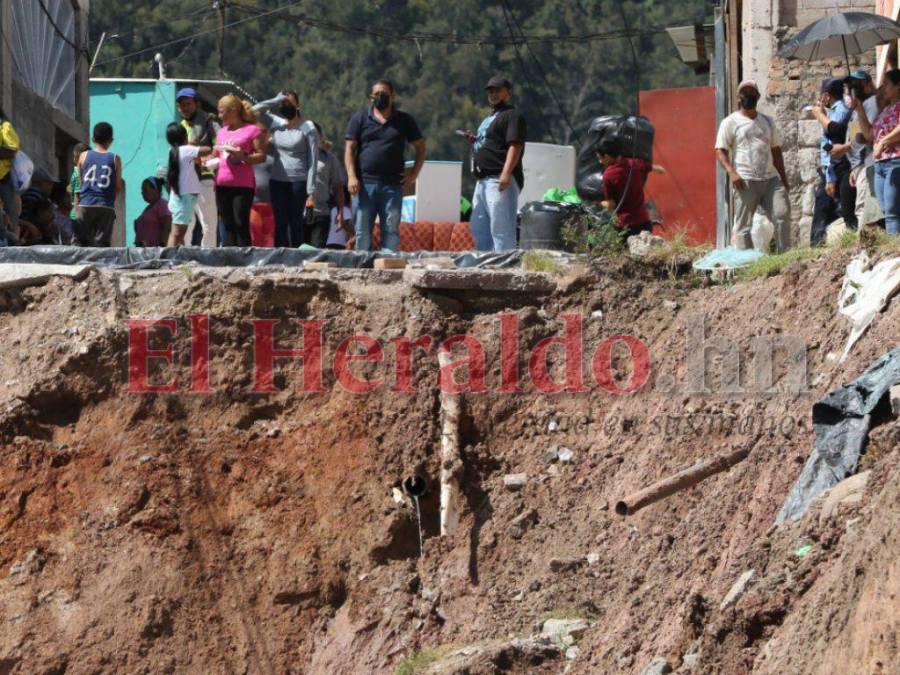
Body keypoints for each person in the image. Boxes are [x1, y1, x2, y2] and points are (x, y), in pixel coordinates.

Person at [345, 79, 425, 251]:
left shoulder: (404, 120)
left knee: (390, 230)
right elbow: (349, 148)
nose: (380, 97)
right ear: (370, 97)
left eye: (384, 94)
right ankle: (362, 268)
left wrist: (414, 174)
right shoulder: (359, 119)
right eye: (376, 94)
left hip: (393, 186)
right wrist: (351, 176)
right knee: (362, 231)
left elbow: (420, 147)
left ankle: (388, 268)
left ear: (393, 96)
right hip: (364, 185)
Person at [714, 80, 791, 252]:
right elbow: (720, 150)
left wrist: (784, 179)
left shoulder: (768, 122)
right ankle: (747, 264)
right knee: (743, 226)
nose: (749, 97)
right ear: (739, 98)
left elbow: (776, 151)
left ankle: (784, 257)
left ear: (758, 97)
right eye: (745, 94)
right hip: (745, 180)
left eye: (752, 94)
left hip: (771, 179)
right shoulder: (730, 122)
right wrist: (732, 173)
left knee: (782, 214)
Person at [461, 76, 527, 251]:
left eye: (498, 90)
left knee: (501, 229)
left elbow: (515, 145)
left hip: (498, 178)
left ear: (509, 93)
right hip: (482, 181)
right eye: (490, 91)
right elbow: (492, 143)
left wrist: (506, 174)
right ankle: (485, 266)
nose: (493, 94)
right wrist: (475, 140)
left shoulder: (512, 115)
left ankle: (504, 267)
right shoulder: (490, 117)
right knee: (479, 227)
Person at [253, 91, 318, 247]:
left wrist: (311, 190)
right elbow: (254, 110)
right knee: (280, 222)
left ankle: (297, 256)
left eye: (289, 103)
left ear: (298, 106)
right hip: (277, 180)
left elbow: (313, 159)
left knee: (295, 221)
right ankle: (281, 255)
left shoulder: (307, 127)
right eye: (283, 104)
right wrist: (275, 100)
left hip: (299, 181)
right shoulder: (277, 123)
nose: (286, 106)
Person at [214, 95, 266, 246]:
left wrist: (243, 156)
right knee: (226, 222)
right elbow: (216, 154)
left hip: (242, 184)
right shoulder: (222, 132)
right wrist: (206, 160)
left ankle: (244, 255)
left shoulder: (252, 130)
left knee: (240, 222)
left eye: (221, 112)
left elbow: (261, 156)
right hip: (221, 183)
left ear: (233, 111)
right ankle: (230, 257)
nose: (219, 115)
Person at [810, 78, 853, 244]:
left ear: (827, 96)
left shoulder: (840, 110)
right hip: (834, 170)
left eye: (823, 96)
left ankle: (816, 247)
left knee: (822, 212)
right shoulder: (837, 110)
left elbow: (834, 142)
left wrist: (829, 177)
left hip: (836, 170)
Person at [597, 138, 666, 240]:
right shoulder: (634, 163)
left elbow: (611, 205)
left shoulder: (608, 175)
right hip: (645, 222)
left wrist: (599, 203)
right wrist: (660, 170)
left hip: (627, 226)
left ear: (607, 156)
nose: (600, 161)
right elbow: (652, 167)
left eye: (600, 158)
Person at [176, 87, 219, 247]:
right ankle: (185, 256)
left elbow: (218, 148)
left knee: (208, 223)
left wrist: (203, 157)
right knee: (185, 223)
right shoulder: (179, 126)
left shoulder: (210, 124)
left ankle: (208, 256)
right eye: (181, 105)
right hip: (185, 182)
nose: (185, 108)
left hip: (204, 179)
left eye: (188, 104)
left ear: (197, 104)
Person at [859, 69, 900, 236]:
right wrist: (859, 109)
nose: (883, 88)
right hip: (880, 165)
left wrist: (883, 141)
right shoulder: (886, 110)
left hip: (895, 162)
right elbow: (870, 134)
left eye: (887, 84)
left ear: (898, 85)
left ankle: (895, 251)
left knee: (891, 211)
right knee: (886, 209)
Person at [844, 71, 883, 229]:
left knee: (865, 208)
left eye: (856, 83)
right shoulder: (858, 108)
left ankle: (865, 245)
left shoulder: (872, 103)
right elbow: (854, 137)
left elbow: (870, 134)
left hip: (868, 161)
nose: (852, 88)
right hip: (859, 165)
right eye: (850, 85)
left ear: (867, 83)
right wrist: (854, 167)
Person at [165, 123, 212, 246]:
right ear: (184, 136)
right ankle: (170, 257)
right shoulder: (185, 149)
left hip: (182, 196)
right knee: (177, 232)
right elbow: (208, 150)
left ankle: (176, 256)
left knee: (180, 232)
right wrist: (193, 144)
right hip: (185, 197)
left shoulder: (174, 151)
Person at [77, 122, 122, 247]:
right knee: (102, 245)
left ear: (93, 139)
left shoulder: (83, 155)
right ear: (111, 140)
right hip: (106, 205)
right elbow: (118, 185)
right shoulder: (115, 158)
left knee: (81, 242)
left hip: (86, 203)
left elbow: (79, 181)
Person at [307, 122, 345, 248]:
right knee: (297, 251)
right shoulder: (297, 157)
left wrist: (340, 212)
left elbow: (338, 187)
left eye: (315, 134)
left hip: (321, 213)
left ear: (321, 137)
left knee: (316, 253)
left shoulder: (329, 159)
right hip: (298, 213)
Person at [133, 177, 172, 247]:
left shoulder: (162, 204)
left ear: (156, 190)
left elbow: (167, 225)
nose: (143, 193)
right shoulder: (148, 209)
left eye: (145, 190)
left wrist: (162, 246)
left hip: (154, 252)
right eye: (142, 191)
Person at [0, 114, 20, 246]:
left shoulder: (4, 126)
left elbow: (12, 150)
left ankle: (11, 243)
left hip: (3, 179)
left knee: (10, 212)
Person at [68, 142, 88, 226]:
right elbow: (77, 194)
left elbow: (75, 194)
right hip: (80, 214)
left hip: (77, 214)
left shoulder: (77, 173)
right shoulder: (81, 173)